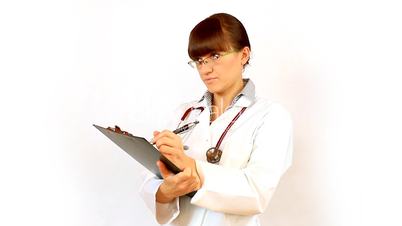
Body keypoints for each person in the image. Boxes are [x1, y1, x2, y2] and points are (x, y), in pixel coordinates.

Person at [139, 12, 293, 226]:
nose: (206, 69)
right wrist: (164, 191)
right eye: (199, 60)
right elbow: (150, 182)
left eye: (215, 56)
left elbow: (257, 192)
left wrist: (192, 168)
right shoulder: (183, 114)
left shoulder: (271, 116)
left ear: (244, 55)